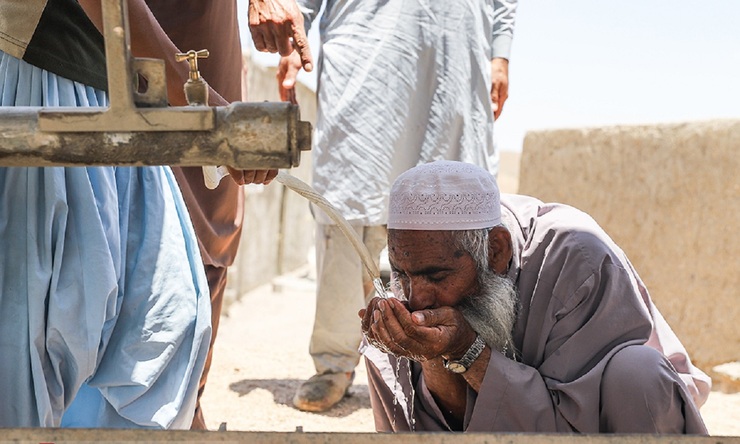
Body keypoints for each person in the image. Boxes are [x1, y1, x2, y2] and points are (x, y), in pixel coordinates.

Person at [277, 0, 518, 412]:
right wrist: (292, 27)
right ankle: (334, 363)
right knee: (349, 202)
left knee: (454, 220)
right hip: (368, 44)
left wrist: (501, 51)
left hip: (455, 49)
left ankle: (453, 362)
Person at [360, 160, 710, 433]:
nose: (418, 298)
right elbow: (444, 424)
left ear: (496, 251)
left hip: (603, 423)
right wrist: (433, 356)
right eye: (403, 274)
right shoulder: (420, 269)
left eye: (436, 276)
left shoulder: (579, 258)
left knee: (637, 372)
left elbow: (572, 427)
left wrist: (468, 352)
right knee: (385, 344)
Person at [0, 0, 210, 428]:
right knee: (39, 336)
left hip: (108, 94)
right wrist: (199, 103)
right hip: (47, 82)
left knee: (165, 319)